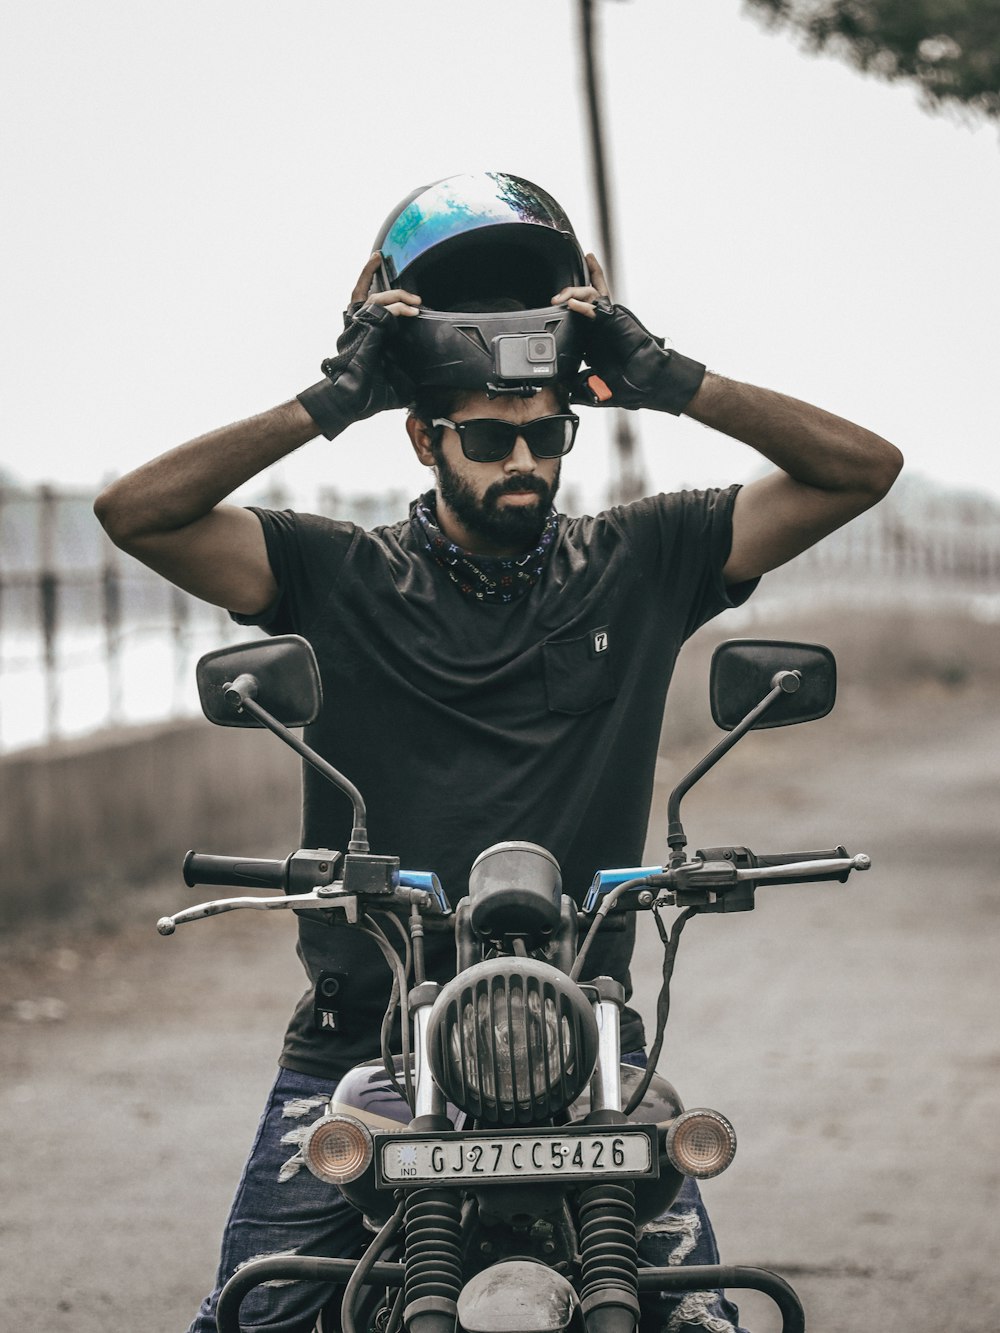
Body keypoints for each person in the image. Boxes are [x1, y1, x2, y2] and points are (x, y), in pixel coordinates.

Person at [95, 172, 902, 1333]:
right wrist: (329, 400)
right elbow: (139, 515)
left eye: (547, 436)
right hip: (365, 1036)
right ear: (424, 437)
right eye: (488, 438)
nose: (524, 461)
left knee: (699, 1319)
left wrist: (665, 376)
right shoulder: (338, 572)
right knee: (257, 1315)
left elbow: (858, 471)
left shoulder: (645, 556)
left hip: (587, 1043)